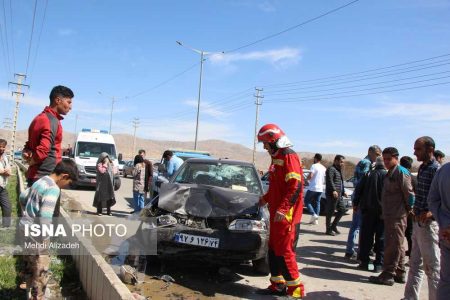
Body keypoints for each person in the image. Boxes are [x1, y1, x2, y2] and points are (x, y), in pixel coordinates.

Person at [257, 123, 305, 298]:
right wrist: (264, 199)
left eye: (265, 143)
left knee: (285, 252)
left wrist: (284, 209)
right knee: (273, 250)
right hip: (276, 212)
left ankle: (296, 291)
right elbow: (277, 187)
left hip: (287, 215)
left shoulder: (289, 156)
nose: (264, 147)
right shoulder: (277, 157)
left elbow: (296, 186)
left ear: (273, 141)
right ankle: (278, 285)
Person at [19, 160, 78, 299]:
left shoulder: (42, 180)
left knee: (29, 264)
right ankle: (37, 297)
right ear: (64, 176)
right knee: (40, 270)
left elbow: (23, 197)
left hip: (24, 227)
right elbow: (45, 217)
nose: (67, 186)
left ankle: (27, 290)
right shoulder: (53, 189)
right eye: (68, 183)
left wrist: (29, 211)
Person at [369, 147, 414, 286]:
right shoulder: (390, 173)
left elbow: (410, 195)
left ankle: (388, 274)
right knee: (397, 245)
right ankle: (399, 273)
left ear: (396, 158)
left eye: (389, 159)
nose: (386, 162)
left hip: (397, 216)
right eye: (385, 159)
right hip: (389, 215)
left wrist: (408, 210)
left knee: (391, 246)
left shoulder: (401, 172)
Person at [404, 137, 440, 300]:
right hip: (418, 224)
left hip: (429, 225)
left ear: (430, 149)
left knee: (433, 269)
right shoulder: (423, 168)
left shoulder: (437, 170)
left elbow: (443, 199)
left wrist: (430, 213)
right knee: (414, 265)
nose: (414, 152)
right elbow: (421, 193)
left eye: (418, 149)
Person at [22, 85, 74, 187]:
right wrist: (31, 162)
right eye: (68, 102)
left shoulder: (38, 118)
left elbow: (29, 146)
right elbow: (43, 150)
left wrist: (26, 153)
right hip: (46, 178)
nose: (70, 107)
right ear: (58, 100)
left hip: (36, 177)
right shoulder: (51, 121)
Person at [345, 145, 382, 259]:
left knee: (356, 225)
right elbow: (364, 182)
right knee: (359, 226)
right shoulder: (366, 163)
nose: (378, 156)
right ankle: (355, 251)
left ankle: (351, 250)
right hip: (361, 198)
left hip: (359, 197)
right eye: (376, 154)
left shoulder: (366, 163)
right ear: (370, 152)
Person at [354, 156, 387, 272]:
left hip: (368, 210)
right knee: (381, 238)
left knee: (366, 237)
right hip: (383, 212)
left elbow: (358, 189)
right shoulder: (388, 175)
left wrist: (356, 203)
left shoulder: (368, 174)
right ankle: (379, 264)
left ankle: (364, 262)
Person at [427, 162, 450, 300]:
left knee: (446, 281)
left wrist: (444, 224)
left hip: (445, 234)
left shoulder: (443, 170)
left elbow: (432, 200)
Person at [325, 155, 347, 236]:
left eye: (343, 162)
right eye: (341, 162)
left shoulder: (338, 170)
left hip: (339, 194)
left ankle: (333, 226)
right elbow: (329, 180)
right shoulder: (331, 169)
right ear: (336, 161)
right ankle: (328, 229)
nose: (342, 164)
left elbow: (340, 182)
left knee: (342, 210)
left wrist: (343, 191)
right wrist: (334, 190)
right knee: (330, 212)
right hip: (332, 194)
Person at [400, 156, 417, 257]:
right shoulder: (412, 177)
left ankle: (411, 252)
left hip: (405, 209)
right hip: (408, 209)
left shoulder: (401, 176)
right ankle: (410, 252)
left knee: (407, 232)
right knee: (409, 232)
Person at [304, 153, 326, 225]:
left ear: (315, 158)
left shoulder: (314, 166)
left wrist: (306, 180)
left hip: (313, 187)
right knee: (317, 203)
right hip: (320, 188)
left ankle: (313, 214)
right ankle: (315, 220)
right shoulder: (323, 167)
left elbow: (311, 175)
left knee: (307, 201)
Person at [0, 139, 12, 227]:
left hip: (2, 186)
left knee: (7, 207)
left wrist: (4, 172)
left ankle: (6, 226)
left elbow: (9, 171)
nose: (1, 149)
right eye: (0, 147)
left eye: (3, 147)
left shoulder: (5, 157)